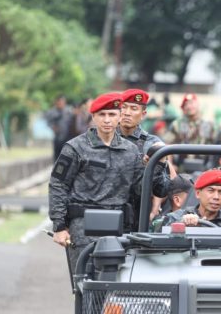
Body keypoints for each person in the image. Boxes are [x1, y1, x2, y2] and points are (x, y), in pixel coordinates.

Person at [48, 92, 171, 269]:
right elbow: (58, 185)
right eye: (102, 115)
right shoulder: (75, 148)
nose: (107, 120)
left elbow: (140, 190)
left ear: (119, 116)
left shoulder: (130, 151)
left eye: (112, 114)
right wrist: (59, 226)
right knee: (85, 284)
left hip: (119, 228)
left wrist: (156, 167)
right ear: (93, 117)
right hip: (83, 227)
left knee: (116, 287)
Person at [118, 88, 175, 224]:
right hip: (103, 212)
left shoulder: (153, 144)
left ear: (143, 114)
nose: (127, 113)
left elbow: (162, 189)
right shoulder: (105, 138)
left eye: (133, 108)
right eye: (124, 107)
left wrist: (158, 165)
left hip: (137, 217)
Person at [156, 169, 221, 234]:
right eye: (211, 191)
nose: (216, 197)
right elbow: (158, 241)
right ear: (197, 194)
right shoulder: (177, 217)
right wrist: (181, 226)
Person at [45, 94, 74, 160]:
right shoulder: (52, 112)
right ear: (56, 102)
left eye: (62, 102)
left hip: (68, 137)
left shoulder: (69, 110)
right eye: (59, 102)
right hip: (57, 137)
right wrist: (53, 127)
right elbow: (48, 122)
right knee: (57, 157)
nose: (61, 103)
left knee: (67, 157)